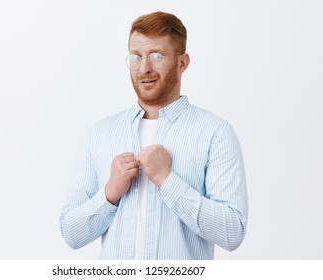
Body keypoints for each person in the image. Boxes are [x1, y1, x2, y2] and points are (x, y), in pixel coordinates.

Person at [60, 11, 248, 260]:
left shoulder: (214, 132)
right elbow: (71, 234)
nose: (144, 68)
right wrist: (110, 193)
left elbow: (232, 232)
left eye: (156, 56)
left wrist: (167, 180)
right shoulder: (100, 134)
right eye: (136, 57)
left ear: (183, 62)